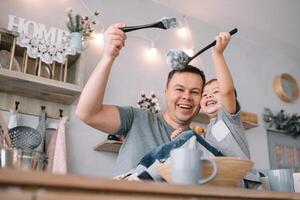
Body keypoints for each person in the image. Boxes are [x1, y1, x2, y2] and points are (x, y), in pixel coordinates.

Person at [75, 23, 206, 176]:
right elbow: (87, 113)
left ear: (201, 98)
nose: (187, 97)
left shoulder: (198, 146)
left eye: (195, 92)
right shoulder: (137, 118)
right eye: (179, 89)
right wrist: (108, 56)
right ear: (166, 92)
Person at [171, 32, 250, 158]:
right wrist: (185, 136)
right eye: (205, 94)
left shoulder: (229, 118)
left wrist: (217, 54)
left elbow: (227, 91)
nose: (208, 96)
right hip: (223, 176)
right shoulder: (207, 133)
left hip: (242, 176)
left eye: (216, 91)